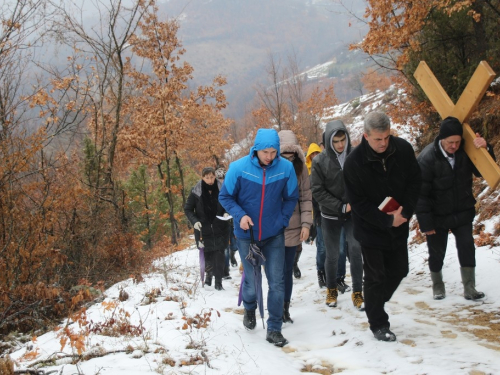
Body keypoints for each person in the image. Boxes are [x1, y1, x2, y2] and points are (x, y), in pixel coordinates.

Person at [343, 112, 421, 342]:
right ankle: (378, 323)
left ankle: (374, 302)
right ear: (365, 136)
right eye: (378, 139)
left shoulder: (403, 150)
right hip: (370, 230)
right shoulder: (354, 163)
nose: (383, 143)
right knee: (375, 277)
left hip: (399, 224)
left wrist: (405, 212)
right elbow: (357, 204)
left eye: (387, 137)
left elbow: (415, 181)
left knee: (400, 270)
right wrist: (387, 220)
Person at [219, 128, 299, 347]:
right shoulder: (238, 168)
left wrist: (282, 220)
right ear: (255, 149)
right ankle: (250, 306)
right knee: (253, 283)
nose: (270, 157)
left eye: (274, 152)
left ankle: (274, 328)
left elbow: (292, 197)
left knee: (277, 282)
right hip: (247, 236)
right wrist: (240, 215)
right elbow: (225, 196)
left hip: (274, 235)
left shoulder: (286, 168)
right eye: (265, 152)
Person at [415, 117, 495, 301]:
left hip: (462, 211)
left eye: (458, 142)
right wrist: (426, 223)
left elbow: (482, 170)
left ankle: (470, 288)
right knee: (436, 252)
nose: (454, 146)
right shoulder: (427, 158)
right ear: (441, 138)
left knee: (467, 247)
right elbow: (421, 194)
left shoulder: (466, 151)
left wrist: (486, 148)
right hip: (437, 215)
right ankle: (437, 286)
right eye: (451, 142)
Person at [311, 120, 364, 311]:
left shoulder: (356, 156)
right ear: (329, 141)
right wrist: (340, 206)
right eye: (336, 141)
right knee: (333, 255)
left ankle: (358, 292)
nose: (341, 145)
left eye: (343, 140)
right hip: (331, 216)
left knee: (356, 251)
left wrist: (357, 202)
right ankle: (331, 289)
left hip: (353, 214)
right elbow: (317, 191)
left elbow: (364, 182)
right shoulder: (319, 161)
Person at [278, 130, 313, 323]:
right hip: (274, 229)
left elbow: (306, 196)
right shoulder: (270, 167)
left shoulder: (301, 170)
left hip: (294, 228)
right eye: (285, 156)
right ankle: (276, 307)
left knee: (287, 270)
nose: (289, 160)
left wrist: (306, 224)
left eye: (292, 156)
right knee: (276, 272)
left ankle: (285, 309)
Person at [184, 167, 230, 291]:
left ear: (215, 176)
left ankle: (219, 282)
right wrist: (195, 221)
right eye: (207, 177)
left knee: (220, 254)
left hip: (220, 226)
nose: (210, 180)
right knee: (207, 253)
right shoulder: (196, 191)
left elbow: (229, 203)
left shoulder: (223, 188)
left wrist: (226, 212)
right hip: (203, 228)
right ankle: (209, 277)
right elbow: (188, 209)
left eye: (212, 177)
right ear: (202, 177)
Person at [305, 143, 326, 287]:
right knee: (322, 247)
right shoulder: (307, 173)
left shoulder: (326, 168)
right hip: (317, 213)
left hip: (332, 213)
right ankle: (321, 273)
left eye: (317, 153)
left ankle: (334, 276)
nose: (315, 156)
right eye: (313, 154)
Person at [215, 167, 238, 280]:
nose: (221, 180)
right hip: (220, 222)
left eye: (223, 178)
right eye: (219, 178)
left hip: (233, 220)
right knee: (225, 247)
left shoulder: (232, 187)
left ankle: (233, 255)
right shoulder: (214, 190)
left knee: (234, 245)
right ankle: (226, 271)